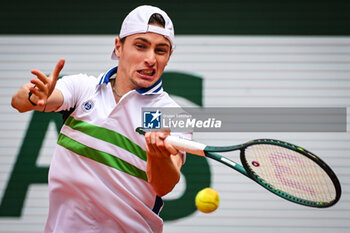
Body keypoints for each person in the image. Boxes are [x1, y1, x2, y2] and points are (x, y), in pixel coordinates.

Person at [11, 5, 190, 233]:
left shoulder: (171, 115)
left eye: (161, 50)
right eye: (140, 46)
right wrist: (35, 95)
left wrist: (159, 157)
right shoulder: (83, 88)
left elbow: (165, 185)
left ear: (169, 56)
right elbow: (18, 102)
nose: (150, 59)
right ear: (118, 46)